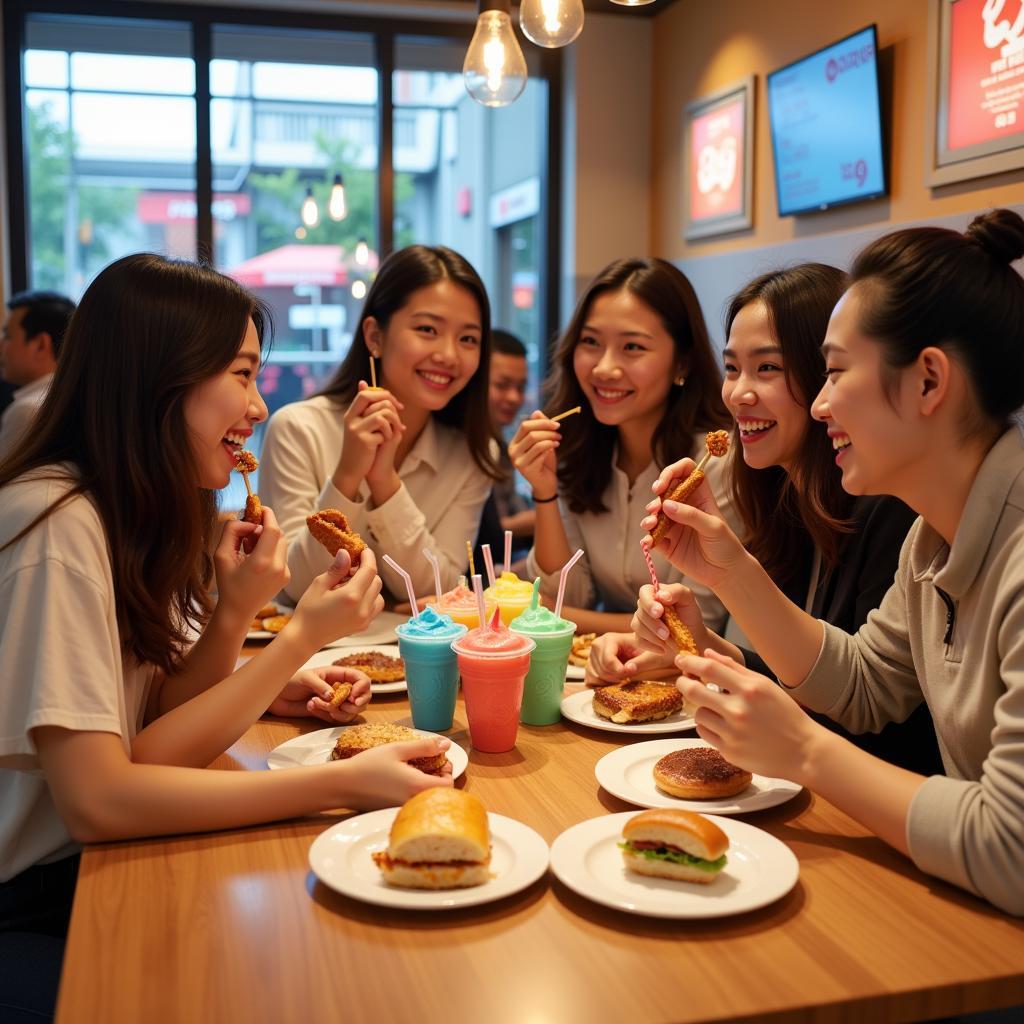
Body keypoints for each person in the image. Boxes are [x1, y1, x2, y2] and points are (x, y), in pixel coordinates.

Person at [0, 254, 452, 1021]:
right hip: (33, 900)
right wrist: (338, 771)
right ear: (161, 375)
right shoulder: (55, 523)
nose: (257, 404)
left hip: (97, 864)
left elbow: (148, 734)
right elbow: (99, 798)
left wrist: (240, 618)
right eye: (241, 374)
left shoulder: (135, 507)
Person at [636, 210, 1024, 916]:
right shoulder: (932, 540)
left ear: (929, 381)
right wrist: (726, 569)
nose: (819, 406)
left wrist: (807, 752)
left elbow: (1013, 847)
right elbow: (868, 682)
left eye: (835, 372)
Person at [590, 264, 942, 775]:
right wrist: (702, 644)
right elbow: (815, 680)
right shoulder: (782, 498)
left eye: (769, 369)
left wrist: (722, 597)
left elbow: (869, 713)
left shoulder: (894, 509)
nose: (738, 394)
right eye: (732, 369)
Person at [260, 245, 501, 604]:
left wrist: (384, 483)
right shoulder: (298, 429)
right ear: (375, 336)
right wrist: (348, 475)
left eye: (468, 338)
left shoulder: (472, 452)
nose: (449, 355)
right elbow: (296, 587)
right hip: (309, 654)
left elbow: (440, 589)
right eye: (427, 329)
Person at [509, 257, 735, 635]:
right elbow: (570, 594)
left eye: (632, 347)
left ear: (682, 363)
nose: (604, 368)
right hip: (600, 672)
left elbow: (694, 624)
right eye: (591, 342)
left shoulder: (712, 463)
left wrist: (551, 613)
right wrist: (544, 492)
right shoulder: (577, 450)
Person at [0, 290, 75, 460]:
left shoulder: (28, 410)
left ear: (41, 345)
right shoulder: (69, 396)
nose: (1, 346)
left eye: (8, 336)